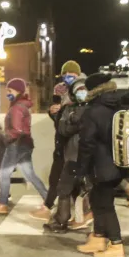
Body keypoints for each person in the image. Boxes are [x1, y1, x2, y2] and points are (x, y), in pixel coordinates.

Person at [76, 73, 127, 257]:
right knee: (98, 202)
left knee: (105, 206)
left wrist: (81, 170)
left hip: (101, 165)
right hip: (116, 164)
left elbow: (87, 143)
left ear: (94, 90)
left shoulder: (94, 110)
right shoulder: (116, 106)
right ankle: (99, 237)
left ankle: (116, 244)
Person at [0, 78, 50, 215]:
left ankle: (2, 204)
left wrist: (6, 138)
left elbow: (16, 129)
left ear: (18, 91)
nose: (8, 93)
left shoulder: (16, 107)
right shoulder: (22, 105)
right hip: (25, 144)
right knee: (30, 174)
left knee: (4, 174)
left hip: (16, 144)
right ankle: (47, 199)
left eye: (10, 90)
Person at [43, 76, 92, 233]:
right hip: (79, 156)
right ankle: (78, 218)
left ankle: (61, 221)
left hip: (77, 156)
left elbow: (64, 129)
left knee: (65, 189)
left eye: (84, 90)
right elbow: (61, 127)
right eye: (79, 91)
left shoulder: (74, 110)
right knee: (76, 189)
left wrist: (71, 119)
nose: (81, 93)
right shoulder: (81, 109)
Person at [37, 60, 83, 220]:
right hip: (62, 137)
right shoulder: (60, 88)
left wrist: (63, 111)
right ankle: (67, 213)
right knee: (61, 176)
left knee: (64, 177)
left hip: (73, 139)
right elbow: (57, 113)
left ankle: (52, 209)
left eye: (71, 75)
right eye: (65, 74)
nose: (68, 77)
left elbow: (79, 114)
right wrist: (53, 112)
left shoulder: (81, 89)